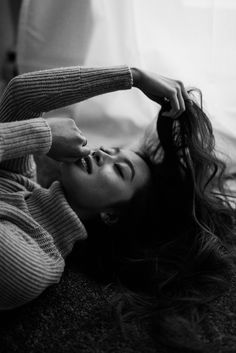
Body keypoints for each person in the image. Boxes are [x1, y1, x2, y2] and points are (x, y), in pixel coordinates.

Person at [0, 65, 235, 350]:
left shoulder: (30, 263)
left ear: (111, 215)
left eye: (120, 170)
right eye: (111, 150)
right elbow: (20, 96)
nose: (101, 154)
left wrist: (42, 135)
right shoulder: (18, 183)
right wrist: (134, 77)